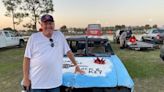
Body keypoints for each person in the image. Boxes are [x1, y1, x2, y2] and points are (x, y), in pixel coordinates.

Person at [23, 14, 85, 92]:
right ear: (41, 25)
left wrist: (76, 66)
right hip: (37, 83)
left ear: (54, 24)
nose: (48, 26)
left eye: (50, 23)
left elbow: (68, 52)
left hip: (54, 83)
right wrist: (26, 78)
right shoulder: (33, 38)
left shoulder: (59, 35)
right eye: (46, 24)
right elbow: (26, 58)